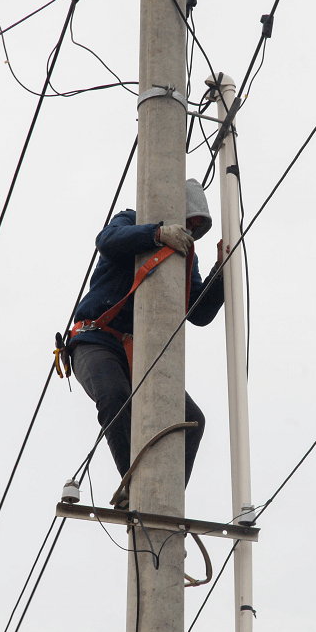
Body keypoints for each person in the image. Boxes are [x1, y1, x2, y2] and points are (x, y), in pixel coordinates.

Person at [69, 179, 225, 504]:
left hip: (139, 353)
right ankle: (136, 488)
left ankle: (163, 502)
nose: (190, 230)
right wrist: (157, 234)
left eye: (197, 227)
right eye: (188, 221)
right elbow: (107, 240)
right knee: (114, 396)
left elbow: (198, 311)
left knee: (191, 420)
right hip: (94, 338)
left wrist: (222, 271)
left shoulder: (186, 256)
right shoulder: (130, 221)